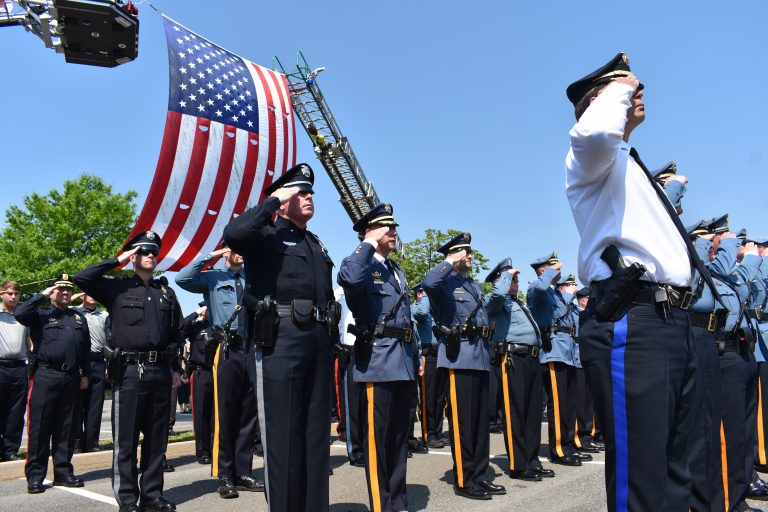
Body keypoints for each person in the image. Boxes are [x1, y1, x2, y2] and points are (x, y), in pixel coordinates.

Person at [565, 52, 711, 511]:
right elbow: (592, 131)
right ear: (602, 100)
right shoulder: (589, 158)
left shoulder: (629, 164)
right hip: (634, 320)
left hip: (671, 321)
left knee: (675, 475)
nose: (637, 91)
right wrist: (619, 85)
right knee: (641, 477)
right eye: (625, 89)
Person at [223, 163, 337, 512]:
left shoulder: (314, 242)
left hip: (317, 340)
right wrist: (273, 200)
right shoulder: (266, 234)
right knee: (283, 437)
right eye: (301, 191)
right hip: (280, 341)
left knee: (315, 434)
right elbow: (235, 234)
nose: (309, 196)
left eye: (310, 192)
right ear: (284, 197)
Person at [74, 231, 183, 512]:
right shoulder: (117, 288)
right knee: (126, 440)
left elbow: (177, 332)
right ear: (134, 256)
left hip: (160, 370)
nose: (150, 255)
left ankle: (152, 495)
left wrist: (173, 368)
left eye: (153, 252)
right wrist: (117, 260)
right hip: (131, 372)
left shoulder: (166, 293)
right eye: (144, 251)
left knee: (157, 440)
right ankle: (127, 499)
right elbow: (82, 277)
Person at [338, 202, 417, 512]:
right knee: (377, 440)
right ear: (372, 230)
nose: (394, 232)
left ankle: (397, 501)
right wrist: (368, 242)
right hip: (378, 361)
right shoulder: (360, 263)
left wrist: (417, 355)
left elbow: (407, 319)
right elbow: (350, 279)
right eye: (388, 227)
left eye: (394, 226)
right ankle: (381, 505)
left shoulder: (395, 270)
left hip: (403, 362)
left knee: (398, 439)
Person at [422, 232, 505, 500]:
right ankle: (464, 479)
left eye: (469, 252)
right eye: (465, 252)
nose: (469, 256)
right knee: (463, 423)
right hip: (459, 360)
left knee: (480, 424)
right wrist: (449, 261)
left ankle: (480, 475)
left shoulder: (472, 285)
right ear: (455, 254)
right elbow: (428, 281)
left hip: (479, 358)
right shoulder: (444, 283)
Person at [175, 245, 263, 498]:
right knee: (224, 413)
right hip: (226, 349)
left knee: (248, 414)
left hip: (252, 347)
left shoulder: (252, 277)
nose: (240, 252)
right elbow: (183, 278)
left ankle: (243, 471)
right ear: (226, 252)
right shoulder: (213, 277)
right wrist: (211, 255)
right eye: (234, 248)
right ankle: (224, 474)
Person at [15, 274, 90, 494]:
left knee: (66, 428)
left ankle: (63, 472)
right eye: (60, 290)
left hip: (71, 377)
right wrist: (42, 294)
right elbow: (20, 312)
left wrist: (85, 374)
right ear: (52, 293)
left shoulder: (77, 317)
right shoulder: (40, 314)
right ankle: (36, 476)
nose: (65, 293)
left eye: (68, 290)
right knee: (40, 428)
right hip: (45, 375)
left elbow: (84, 349)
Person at [485, 258, 555, 482]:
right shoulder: (496, 301)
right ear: (501, 280)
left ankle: (532, 461)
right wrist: (505, 275)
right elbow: (495, 297)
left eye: (515, 279)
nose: (516, 282)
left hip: (531, 359)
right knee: (515, 412)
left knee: (533, 413)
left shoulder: (519, 302)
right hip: (511, 359)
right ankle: (519, 464)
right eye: (512, 279)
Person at [527, 254, 586, 466]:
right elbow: (540, 289)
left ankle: (568, 444)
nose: (559, 269)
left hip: (567, 352)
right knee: (559, 404)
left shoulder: (557, 295)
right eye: (552, 267)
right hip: (553, 353)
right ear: (543, 271)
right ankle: (559, 448)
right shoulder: (537, 289)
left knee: (570, 404)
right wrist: (552, 271)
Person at [71, 292, 109, 453]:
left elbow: (109, 340)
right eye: (88, 293)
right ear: (82, 296)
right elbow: (62, 304)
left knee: (95, 405)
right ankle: (77, 442)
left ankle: (92, 442)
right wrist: (75, 295)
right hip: (79, 362)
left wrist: (108, 364)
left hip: (99, 360)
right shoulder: (74, 311)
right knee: (77, 404)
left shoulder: (105, 314)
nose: (93, 296)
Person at [411, 283, 447, 449]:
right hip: (426, 356)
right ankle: (428, 434)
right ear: (418, 294)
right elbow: (422, 312)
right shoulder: (415, 308)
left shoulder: (433, 309)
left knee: (439, 398)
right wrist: (427, 294)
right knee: (428, 397)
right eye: (422, 293)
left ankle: (437, 432)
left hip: (438, 355)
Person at [333, 286, 366, 467]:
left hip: (368, 347)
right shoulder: (341, 291)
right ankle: (356, 450)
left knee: (367, 403)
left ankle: (367, 446)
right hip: (349, 347)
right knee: (352, 403)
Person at [180, 304, 215, 466]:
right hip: (202, 372)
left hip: (218, 372)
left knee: (217, 414)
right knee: (201, 413)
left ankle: (216, 448)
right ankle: (202, 451)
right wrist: (196, 313)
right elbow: (181, 327)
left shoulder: (220, 325)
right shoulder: (197, 325)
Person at [0, 280, 30, 462]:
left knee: (16, 411)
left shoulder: (23, 316)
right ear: (2, 294)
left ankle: (10, 449)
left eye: (16, 294)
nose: (13, 297)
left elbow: (29, 342)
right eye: (10, 293)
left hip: (19, 367)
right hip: (0, 366)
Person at [571, 286, 602, 453]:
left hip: (587, 360)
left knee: (589, 403)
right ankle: (580, 437)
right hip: (576, 360)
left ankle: (588, 436)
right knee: (580, 403)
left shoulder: (587, 313)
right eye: (588, 298)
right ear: (582, 299)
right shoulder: (576, 312)